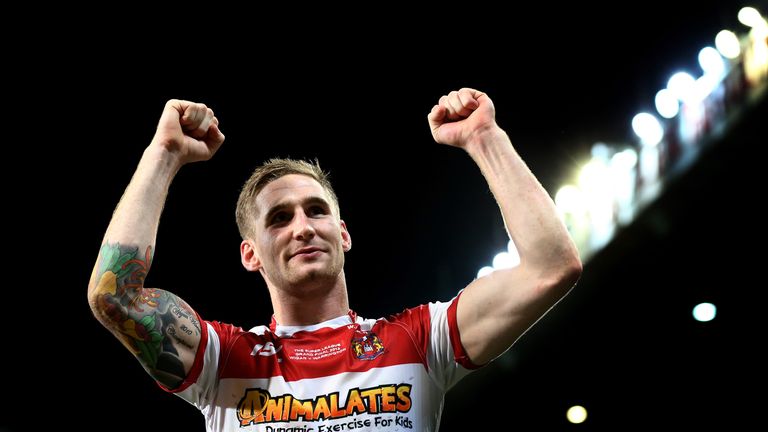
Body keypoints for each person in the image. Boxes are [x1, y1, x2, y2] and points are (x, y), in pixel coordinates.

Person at [88, 88, 582, 431]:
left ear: (342, 234)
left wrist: (484, 138)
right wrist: (165, 153)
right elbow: (114, 295)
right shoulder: (223, 362)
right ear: (251, 254)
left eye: (317, 210)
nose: (303, 226)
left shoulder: (419, 340)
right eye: (279, 218)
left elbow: (550, 268)